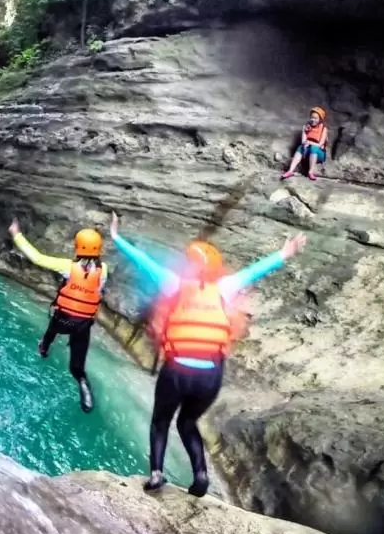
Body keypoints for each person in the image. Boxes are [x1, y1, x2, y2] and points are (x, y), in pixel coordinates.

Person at [109, 212, 307, 497]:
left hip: (177, 370)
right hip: (209, 375)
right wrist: (285, 252)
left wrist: (116, 236)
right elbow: (256, 270)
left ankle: (156, 474)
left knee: (161, 421)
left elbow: (142, 261)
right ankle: (201, 474)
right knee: (188, 422)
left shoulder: (173, 282)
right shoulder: (225, 288)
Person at [8, 220, 109, 413]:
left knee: (51, 330)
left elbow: (37, 258)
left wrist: (16, 234)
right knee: (76, 368)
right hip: (83, 325)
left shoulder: (67, 266)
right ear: (99, 250)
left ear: (76, 247)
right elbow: (97, 288)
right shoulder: (102, 270)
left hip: (63, 319)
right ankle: (84, 388)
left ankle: (44, 349)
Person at [282, 106, 329, 181]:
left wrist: (310, 142)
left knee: (314, 148)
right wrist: (305, 144)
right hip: (307, 152)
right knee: (300, 147)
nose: (313, 120)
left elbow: (320, 144)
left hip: (319, 153)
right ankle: (290, 171)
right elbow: (303, 141)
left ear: (320, 119)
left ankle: (310, 172)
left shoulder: (324, 129)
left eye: (316, 118)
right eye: (312, 117)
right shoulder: (306, 127)